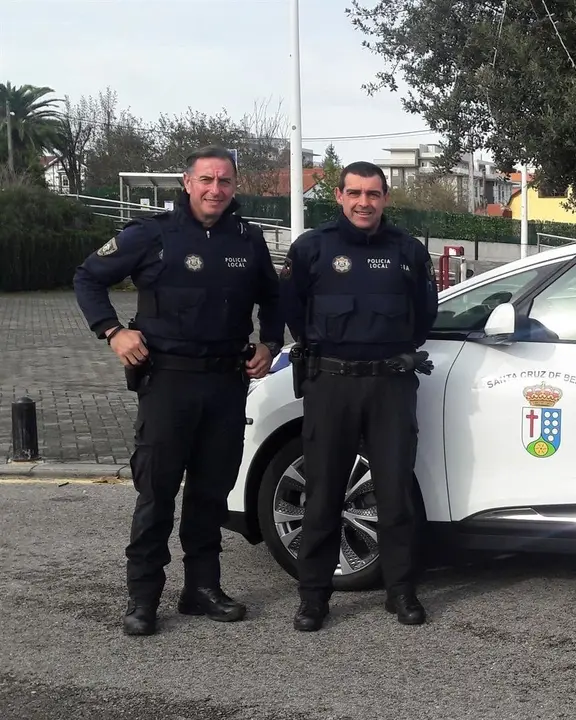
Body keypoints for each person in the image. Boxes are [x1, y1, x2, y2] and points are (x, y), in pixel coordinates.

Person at [72, 145, 284, 636]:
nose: (216, 190)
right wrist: (112, 331)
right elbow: (88, 276)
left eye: (225, 181)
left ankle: (201, 589)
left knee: (211, 492)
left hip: (227, 383)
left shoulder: (248, 240)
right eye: (206, 180)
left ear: (235, 187)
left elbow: (275, 300)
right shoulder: (151, 235)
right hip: (167, 380)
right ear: (186, 183)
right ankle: (143, 598)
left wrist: (269, 343)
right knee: (157, 493)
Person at [280, 161, 438, 632]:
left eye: (373, 194)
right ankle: (313, 597)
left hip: (390, 384)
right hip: (331, 385)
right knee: (323, 492)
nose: (364, 202)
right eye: (355, 193)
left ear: (385, 197)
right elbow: (291, 308)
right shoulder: (312, 248)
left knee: (394, 493)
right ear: (340, 196)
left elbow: (423, 315)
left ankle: (401, 591)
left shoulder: (408, 251)